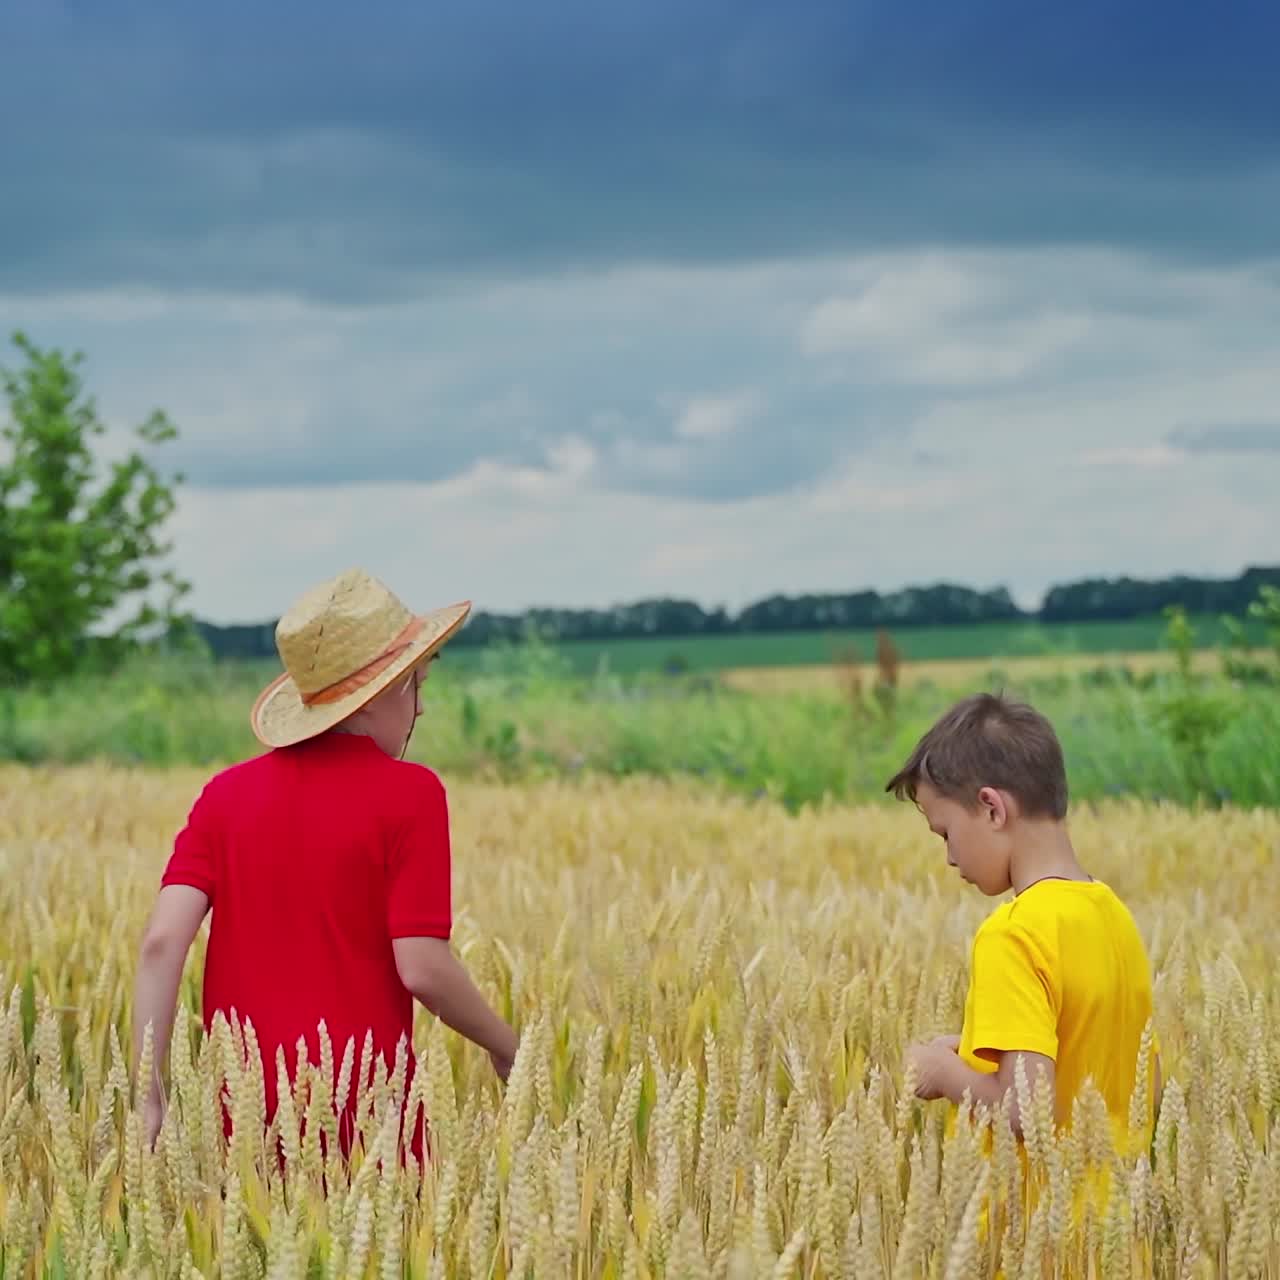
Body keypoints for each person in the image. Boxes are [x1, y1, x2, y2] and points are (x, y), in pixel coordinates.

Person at [131, 567, 519, 1156]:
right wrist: (504, 1044)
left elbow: (162, 942)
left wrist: (149, 1094)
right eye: (416, 685)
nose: (421, 709)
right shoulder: (411, 795)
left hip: (242, 1118)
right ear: (384, 693)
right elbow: (420, 966)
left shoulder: (225, 795)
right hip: (367, 1122)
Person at [886, 692, 1160, 1152]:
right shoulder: (1112, 913)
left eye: (947, 833)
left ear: (992, 808)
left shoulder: (1012, 934)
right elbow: (1134, 1078)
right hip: (1116, 1211)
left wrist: (942, 1073)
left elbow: (1024, 1112)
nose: (950, 858)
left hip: (1036, 1215)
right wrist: (978, 1046)